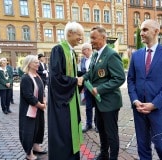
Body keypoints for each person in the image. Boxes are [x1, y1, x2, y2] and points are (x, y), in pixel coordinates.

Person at [127, 19, 162, 160]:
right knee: (142, 146)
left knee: (161, 146)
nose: (141, 33)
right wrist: (135, 100)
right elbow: (130, 79)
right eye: (141, 30)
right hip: (139, 109)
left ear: (156, 31)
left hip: (158, 109)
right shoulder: (136, 55)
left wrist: (154, 104)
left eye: (145, 30)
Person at [79, 25, 126, 160]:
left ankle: (113, 157)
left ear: (104, 37)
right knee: (101, 130)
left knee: (111, 133)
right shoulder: (94, 55)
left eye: (94, 38)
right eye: (90, 38)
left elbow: (120, 78)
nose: (91, 41)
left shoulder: (111, 55)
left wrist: (99, 89)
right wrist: (83, 78)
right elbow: (91, 73)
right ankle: (104, 154)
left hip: (109, 102)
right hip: (98, 102)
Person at [48, 21, 84, 160]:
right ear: (70, 33)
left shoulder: (71, 51)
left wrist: (82, 77)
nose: (81, 38)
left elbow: (72, 74)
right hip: (61, 103)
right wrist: (75, 81)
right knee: (64, 131)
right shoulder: (58, 49)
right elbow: (56, 78)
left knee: (71, 130)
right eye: (79, 35)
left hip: (70, 98)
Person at [19, 55, 47, 160]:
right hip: (29, 111)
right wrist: (40, 105)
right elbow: (28, 96)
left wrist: (44, 101)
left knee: (39, 128)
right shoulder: (26, 78)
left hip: (39, 108)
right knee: (29, 131)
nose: (38, 63)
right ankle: (29, 152)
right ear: (29, 64)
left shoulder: (37, 75)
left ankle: (36, 146)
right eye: (35, 62)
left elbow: (42, 90)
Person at [80, 43, 96, 133]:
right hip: (87, 86)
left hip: (96, 86)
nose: (82, 52)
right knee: (88, 106)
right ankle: (88, 124)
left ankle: (97, 125)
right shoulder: (82, 60)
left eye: (83, 50)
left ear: (89, 49)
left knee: (97, 106)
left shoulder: (96, 57)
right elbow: (82, 73)